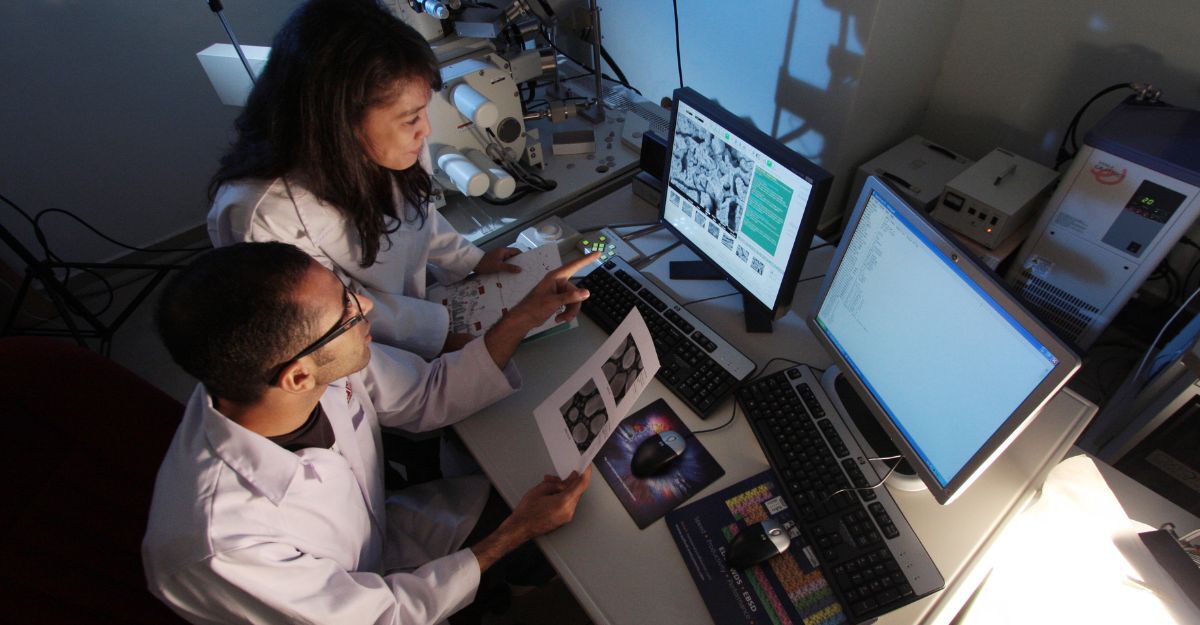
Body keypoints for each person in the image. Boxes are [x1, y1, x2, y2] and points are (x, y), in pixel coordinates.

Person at [143, 242, 597, 624]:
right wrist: (510, 535)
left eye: (348, 294)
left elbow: (424, 394)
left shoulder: (301, 365)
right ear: (297, 378)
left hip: (381, 536)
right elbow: (383, 617)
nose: (366, 308)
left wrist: (521, 317)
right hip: (362, 609)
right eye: (346, 313)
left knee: (549, 496)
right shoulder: (224, 547)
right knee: (541, 534)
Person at [207, 0, 518, 359]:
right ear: (340, 121)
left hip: (414, 321)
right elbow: (337, 312)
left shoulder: (393, 142)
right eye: (410, 118)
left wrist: (471, 260)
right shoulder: (261, 215)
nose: (426, 130)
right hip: (356, 357)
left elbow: (419, 216)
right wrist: (437, 338)